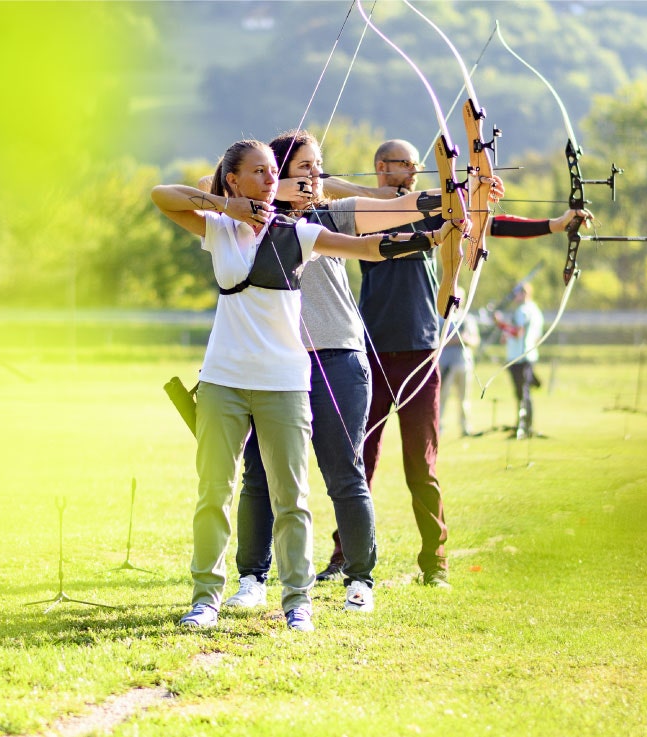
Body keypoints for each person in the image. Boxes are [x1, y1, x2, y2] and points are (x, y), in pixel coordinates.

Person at [150, 138, 456, 630]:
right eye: (264, 172)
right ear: (235, 178)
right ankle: (218, 593)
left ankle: (313, 595)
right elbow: (163, 195)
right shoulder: (221, 229)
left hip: (295, 373)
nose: (275, 180)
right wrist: (230, 206)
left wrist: (436, 225)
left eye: (278, 172)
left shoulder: (307, 228)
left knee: (310, 487)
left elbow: (372, 241)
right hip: (228, 376)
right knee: (223, 489)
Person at [220, 130, 499, 609]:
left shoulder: (334, 214)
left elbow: (404, 209)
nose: (316, 175)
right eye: (305, 166)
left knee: (344, 472)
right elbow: (205, 186)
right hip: (275, 360)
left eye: (319, 166)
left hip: (338, 356)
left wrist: (463, 197)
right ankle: (253, 578)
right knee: (261, 475)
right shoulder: (245, 220)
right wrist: (276, 194)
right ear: (276, 173)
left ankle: (359, 580)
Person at [314, 138, 584, 587]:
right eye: (407, 165)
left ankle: (434, 565)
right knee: (360, 461)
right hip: (371, 355)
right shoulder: (362, 213)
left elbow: (486, 226)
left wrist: (553, 224)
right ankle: (346, 555)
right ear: (382, 167)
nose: (416, 172)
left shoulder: (432, 209)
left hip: (421, 354)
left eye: (421, 166)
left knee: (421, 465)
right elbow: (326, 192)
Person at [493, 282, 544, 440]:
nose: (515, 297)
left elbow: (518, 332)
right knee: (523, 393)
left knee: (522, 393)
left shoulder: (522, 311)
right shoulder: (536, 310)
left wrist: (501, 324)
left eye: (517, 294)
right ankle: (524, 424)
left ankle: (524, 426)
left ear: (524, 294)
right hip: (528, 355)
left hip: (519, 358)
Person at [438, 285, 479, 437]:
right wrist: (456, 339)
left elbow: (474, 340)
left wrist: (466, 339)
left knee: (464, 399)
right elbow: (439, 341)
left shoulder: (467, 318)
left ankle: (465, 427)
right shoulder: (442, 318)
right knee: (443, 397)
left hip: (464, 365)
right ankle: (439, 427)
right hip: (447, 364)